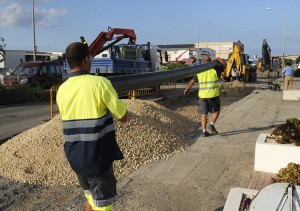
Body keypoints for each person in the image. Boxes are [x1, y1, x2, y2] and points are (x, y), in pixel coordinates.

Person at [56, 42, 127, 211]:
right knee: (103, 206)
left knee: (90, 197)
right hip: (97, 157)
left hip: (75, 156)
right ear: (87, 59)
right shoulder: (100, 83)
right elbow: (123, 116)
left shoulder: (62, 89)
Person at [184, 55, 226, 137]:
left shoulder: (200, 72)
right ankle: (211, 124)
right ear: (211, 62)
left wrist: (187, 89)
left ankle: (204, 131)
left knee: (203, 113)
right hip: (213, 95)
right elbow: (224, 64)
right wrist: (217, 58)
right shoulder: (215, 70)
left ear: (203, 62)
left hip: (202, 96)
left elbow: (192, 81)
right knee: (216, 111)